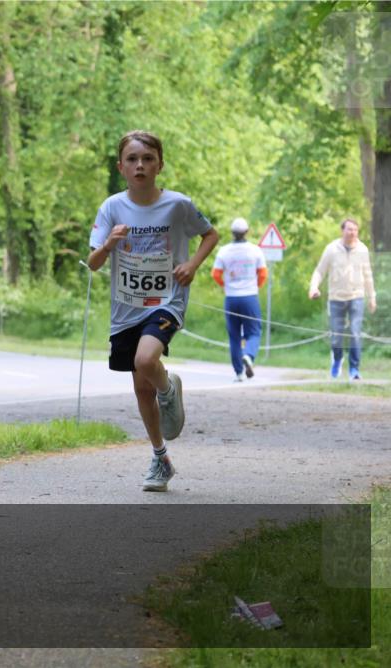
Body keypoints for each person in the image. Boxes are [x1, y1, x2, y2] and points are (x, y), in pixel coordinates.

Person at [87, 130, 219, 492]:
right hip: (125, 308)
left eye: (147, 159)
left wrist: (192, 264)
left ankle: (168, 391)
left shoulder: (178, 204)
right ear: (121, 167)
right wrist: (110, 243)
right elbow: (93, 262)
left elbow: (211, 234)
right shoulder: (111, 207)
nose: (140, 165)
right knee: (139, 388)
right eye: (132, 159)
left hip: (166, 300)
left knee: (147, 361)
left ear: (160, 164)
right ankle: (160, 457)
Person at [309, 218, 377, 380]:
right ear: (342, 231)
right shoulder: (332, 249)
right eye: (349, 229)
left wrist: (372, 297)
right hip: (336, 298)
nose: (352, 232)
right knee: (336, 334)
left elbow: (368, 275)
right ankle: (338, 359)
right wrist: (314, 287)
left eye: (355, 229)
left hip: (356, 297)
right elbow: (320, 271)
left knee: (355, 332)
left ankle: (354, 369)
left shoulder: (362, 250)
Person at [211, 218, 268, 382]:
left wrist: (225, 285)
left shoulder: (224, 251)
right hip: (250, 296)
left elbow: (215, 274)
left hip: (231, 298)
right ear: (247, 232)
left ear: (232, 233)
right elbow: (263, 274)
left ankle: (239, 373)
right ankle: (249, 355)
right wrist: (255, 286)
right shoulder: (255, 250)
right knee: (254, 331)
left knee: (234, 336)